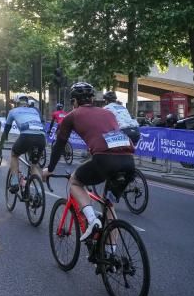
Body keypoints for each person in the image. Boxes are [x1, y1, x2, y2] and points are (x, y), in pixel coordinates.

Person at [43, 83, 136, 242]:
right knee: (109, 205)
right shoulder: (108, 113)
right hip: (128, 162)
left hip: (104, 160)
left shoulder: (72, 115)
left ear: (74, 102)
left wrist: (49, 169)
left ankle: (92, 221)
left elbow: (59, 145)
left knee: (75, 181)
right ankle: (111, 253)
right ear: (92, 99)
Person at [0, 94, 47, 196]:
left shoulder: (12, 111)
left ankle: (15, 182)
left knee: (14, 155)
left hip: (26, 137)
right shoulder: (35, 110)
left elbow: (6, 132)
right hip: (41, 138)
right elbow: (42, 123)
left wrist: (0, 146)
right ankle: (40, 193)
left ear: (16, 103)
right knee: (34, 165)